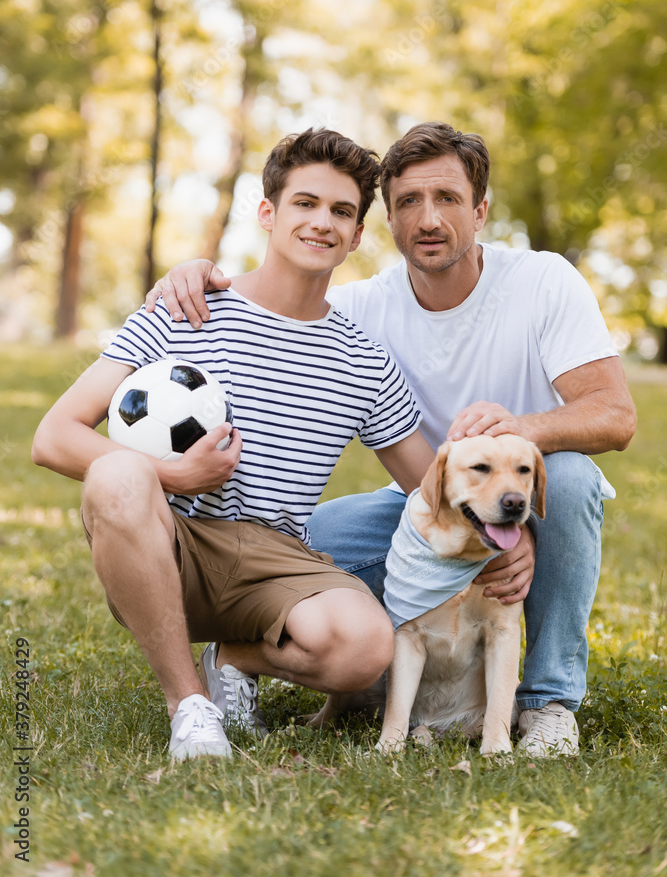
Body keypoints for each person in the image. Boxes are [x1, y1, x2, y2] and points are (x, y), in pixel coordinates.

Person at [148, 121, 637, 757]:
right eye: (409, 202)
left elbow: (614, 415)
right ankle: (239, 658)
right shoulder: (360, 308)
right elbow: (276, 293)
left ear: (480, 210)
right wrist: (192, 273)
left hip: (526, 493)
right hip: (421, 502)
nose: (429, 218)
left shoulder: (543, 282)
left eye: (448, 199)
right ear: (385, 220)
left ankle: (546, 704)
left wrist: (523, 430)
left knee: (568, 476)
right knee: (285, 548)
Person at [32, 128, 435, 761]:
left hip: (279, 556)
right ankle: (190, 707)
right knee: (117, 475)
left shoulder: (363, 357)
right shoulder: (184, 308)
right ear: (269, 213)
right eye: (305, 203)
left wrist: (506, 537)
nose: (321, 223)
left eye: (341, 211)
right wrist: (175, 477)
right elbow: (54, 436)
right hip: (174, 542)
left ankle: (237, 659)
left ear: (358, 234)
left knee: (365, 649)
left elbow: (429, 487)